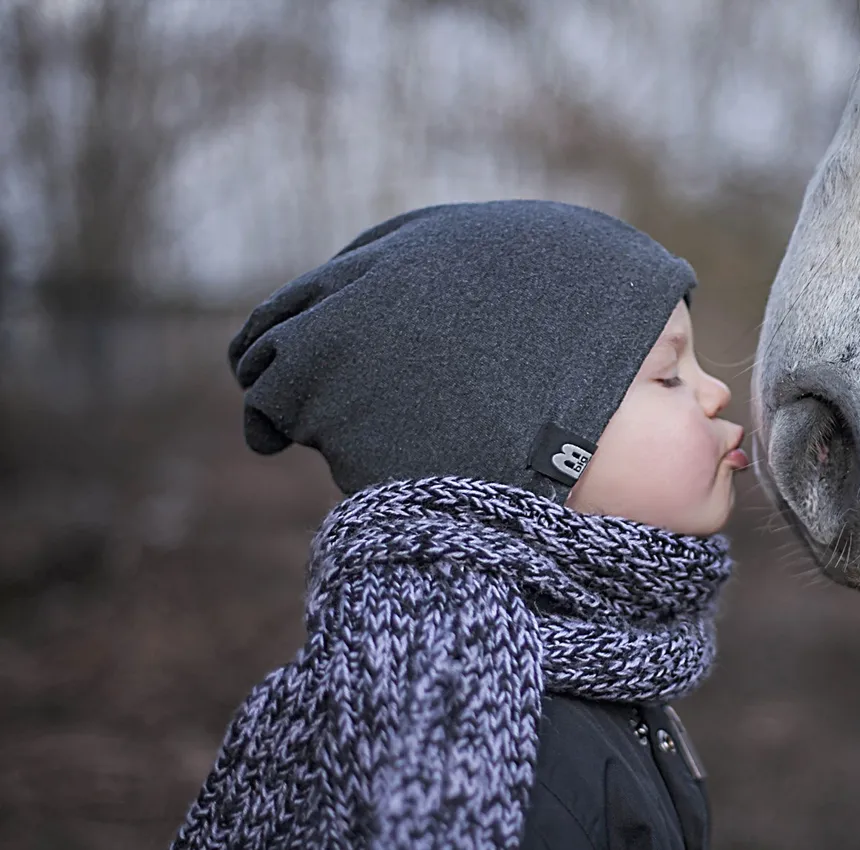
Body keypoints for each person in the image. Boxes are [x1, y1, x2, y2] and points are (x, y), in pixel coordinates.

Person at [171, 200, 748, 850]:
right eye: (670, 376)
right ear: (545, 456)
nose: (715, 392)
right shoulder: (476, 742)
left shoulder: (604, 662)